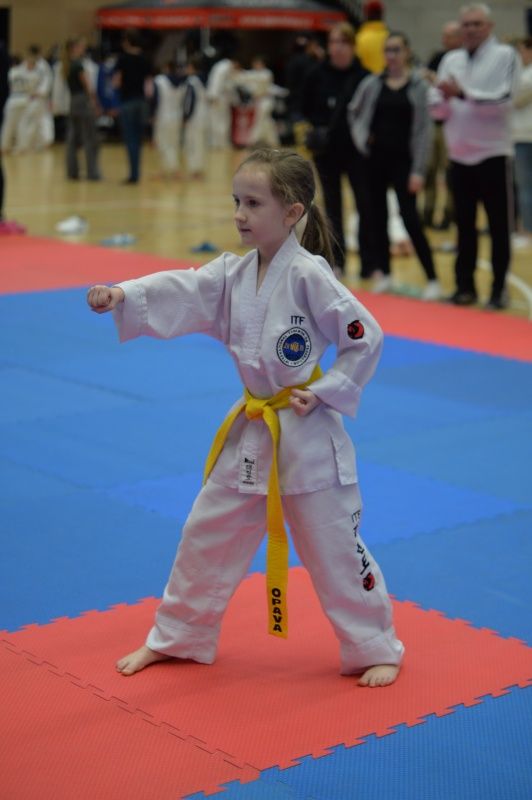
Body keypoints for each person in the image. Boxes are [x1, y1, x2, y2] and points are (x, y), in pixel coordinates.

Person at [87, 147, 404, 689]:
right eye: (237, 201)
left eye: (254, 203)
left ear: (292, 212)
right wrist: (123, 294)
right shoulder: (233, 273)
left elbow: (364, 337)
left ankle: (375, 646)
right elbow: (184, 288)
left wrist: (326, 391)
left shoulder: (309, 275)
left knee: (333, 547)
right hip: (254, 433)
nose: (239, 214)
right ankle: (178, 635)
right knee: (205, 533)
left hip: (306, 436)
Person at [430, 3, 521, 309]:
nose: (469, 29)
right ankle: (464, 287)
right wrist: (441, 100)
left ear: (489, 26)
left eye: (476, 24)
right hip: (459, 155)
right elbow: (437, 107)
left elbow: (504, 100)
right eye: (465, 24)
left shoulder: (505, 55)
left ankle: (498, 289)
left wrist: (462, 94)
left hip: (493, 154)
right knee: (464, 226)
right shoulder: (451, 59)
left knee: (498, 227)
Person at [348, 32, 441, 299]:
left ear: (407, 52)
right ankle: (385, 274)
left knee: (411, 219)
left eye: (397, 49)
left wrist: (419, 171)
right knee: (377, 218)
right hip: (375, 161)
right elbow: (353, 111)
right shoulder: (372, 83)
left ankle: (432, 279)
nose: (392, 55)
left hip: (405, 163)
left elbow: (424, 132)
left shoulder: (419, 87)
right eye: (388, 50)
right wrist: (362, 138)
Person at [301, 22, 376, 278]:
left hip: (358, 152)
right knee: (332, 208)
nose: (338, 48)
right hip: (327, 152)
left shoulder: (365, 77)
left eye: (344, 42)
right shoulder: (315, 74)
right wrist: (314, 129)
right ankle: (337, 261)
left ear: (353, 46)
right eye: (334, 42)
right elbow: (303, 107)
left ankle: (369, 263)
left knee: (365, 204)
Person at [423, 21, 463, 230]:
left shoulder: (464, 60)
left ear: (458, 37)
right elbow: (426, 85)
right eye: (443, 36)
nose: (443, 40)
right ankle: (427, 212)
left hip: (453, 125)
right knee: (429, 170)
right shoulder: (437, 57)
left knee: (450, 172)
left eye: (448, 36)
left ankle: (450, 213)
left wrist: (436, 80)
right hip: (433, 123)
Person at [113, 28, 151, 184]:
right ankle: (136, 172)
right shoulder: (145, 58)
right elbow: (149, 86)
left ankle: (133, 175)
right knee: (138, 139)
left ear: (127, 42)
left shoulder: (122, 59)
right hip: (141, 102)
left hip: (127, 101)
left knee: (130, 139)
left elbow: (117, 82)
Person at [63, 37, 101, 181]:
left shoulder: (66, 65)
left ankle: (72, 172)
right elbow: (88, 86)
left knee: (73, 139)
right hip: (83, 101)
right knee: (90, 138)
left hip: (73, 101)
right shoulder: (78, 65)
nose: (84, 49)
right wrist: (95, 103)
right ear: (74, 47)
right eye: (81, 47)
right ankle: (93, 173)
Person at [511, 37, 532, 248]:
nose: (518, 56)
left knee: (525, 187)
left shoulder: (528, 76)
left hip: (526, 137)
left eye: (521, 51)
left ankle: (528, 231)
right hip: (523, 136)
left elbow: (513, 99)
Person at [152, 60, 183, 178]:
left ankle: (164, 171)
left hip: (162, 116)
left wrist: (152, 115)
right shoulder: (182, 82)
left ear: (166, 67)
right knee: (174, 143)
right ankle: (175, 170)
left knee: (163, 143)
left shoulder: (159, 80)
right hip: (177, 116)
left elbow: (155, 99)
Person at [355, 0, 389, 74]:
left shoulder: (359, 39)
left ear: (366, 14)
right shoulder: (390, 38)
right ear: (382, 14)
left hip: (366, 79)